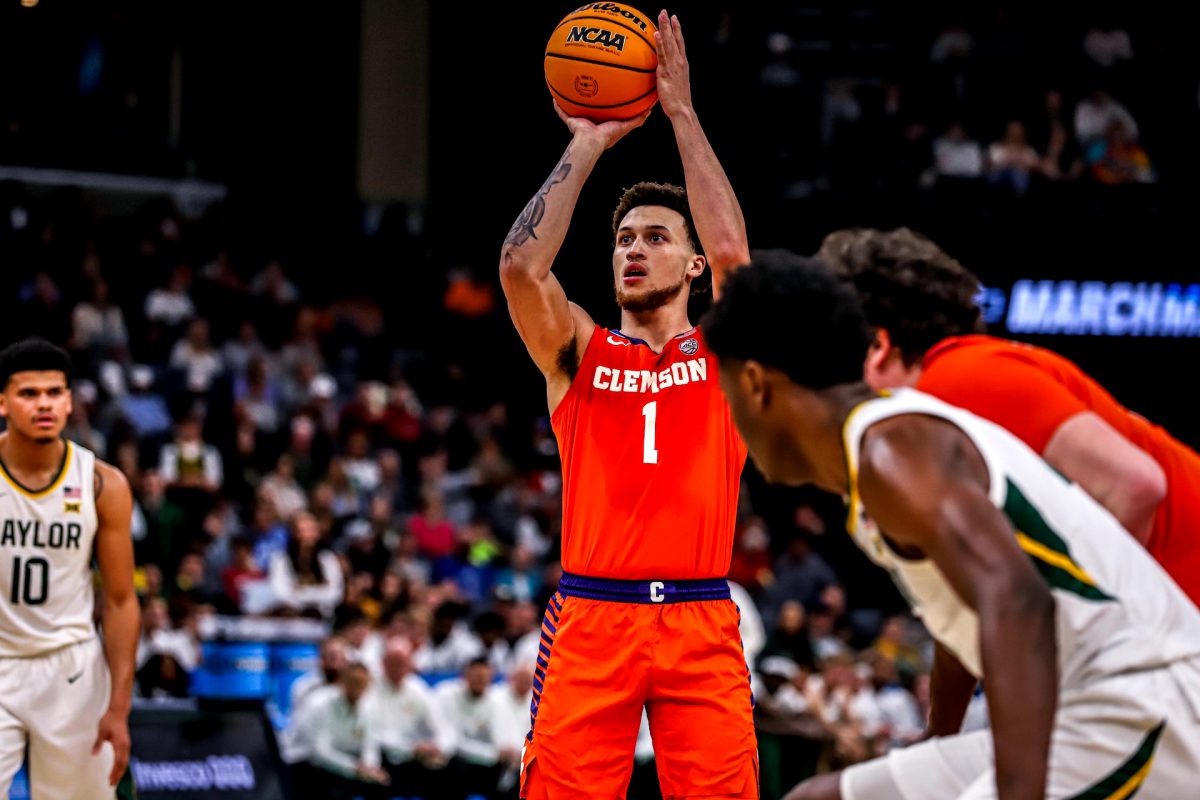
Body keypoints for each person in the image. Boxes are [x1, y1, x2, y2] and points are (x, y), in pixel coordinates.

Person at [704, 253, 1200, 800]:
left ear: (755, 385)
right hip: (1081, 704)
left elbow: (1017, 602)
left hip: (1134, 705)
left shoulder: (891, 450)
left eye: (726, 397)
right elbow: (964, 610)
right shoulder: (877, 450)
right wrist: (941, 736)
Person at [498, 10, 757, 798]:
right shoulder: (579, 349)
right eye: (624, 239)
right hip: (591, 617)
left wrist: (680, 112)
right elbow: (518, 267)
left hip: (700, 620)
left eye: (654, 237)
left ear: (693, 264)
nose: (634, 249)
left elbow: (739, 257)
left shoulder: (723, 352)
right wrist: (587, 141)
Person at [818, 227, 1200, 607]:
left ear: (878, 345)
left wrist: (1075, 629)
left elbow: (1134, 487)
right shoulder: (956, 383)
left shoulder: (959, 377)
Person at [0, 338, 140, 798]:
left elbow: (120, 600)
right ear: (2, 402)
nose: (44, 404)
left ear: (69, 401)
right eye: (29, 393)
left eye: (55, 393)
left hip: (72, 668)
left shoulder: (104, 483)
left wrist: (119, 707)